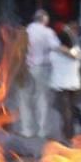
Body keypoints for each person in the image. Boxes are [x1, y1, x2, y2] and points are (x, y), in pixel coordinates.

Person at [18, 9, 63, 138]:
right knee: (42, 98)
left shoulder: (25, 31)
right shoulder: (47, 32)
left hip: (25, 68)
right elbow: (56, 47)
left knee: (24, 99)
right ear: (44, 18)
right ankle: (43, 130)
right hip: (41, 68)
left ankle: (27, 130)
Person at [50, 26, 81, 144]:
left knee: (65, 113)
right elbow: (80, 58)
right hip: (74, 85)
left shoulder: (55, 54)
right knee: (70, 110)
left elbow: (51, 57)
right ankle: (71, 133)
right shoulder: (77, 51)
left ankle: (68, 136)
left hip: (61, 86)